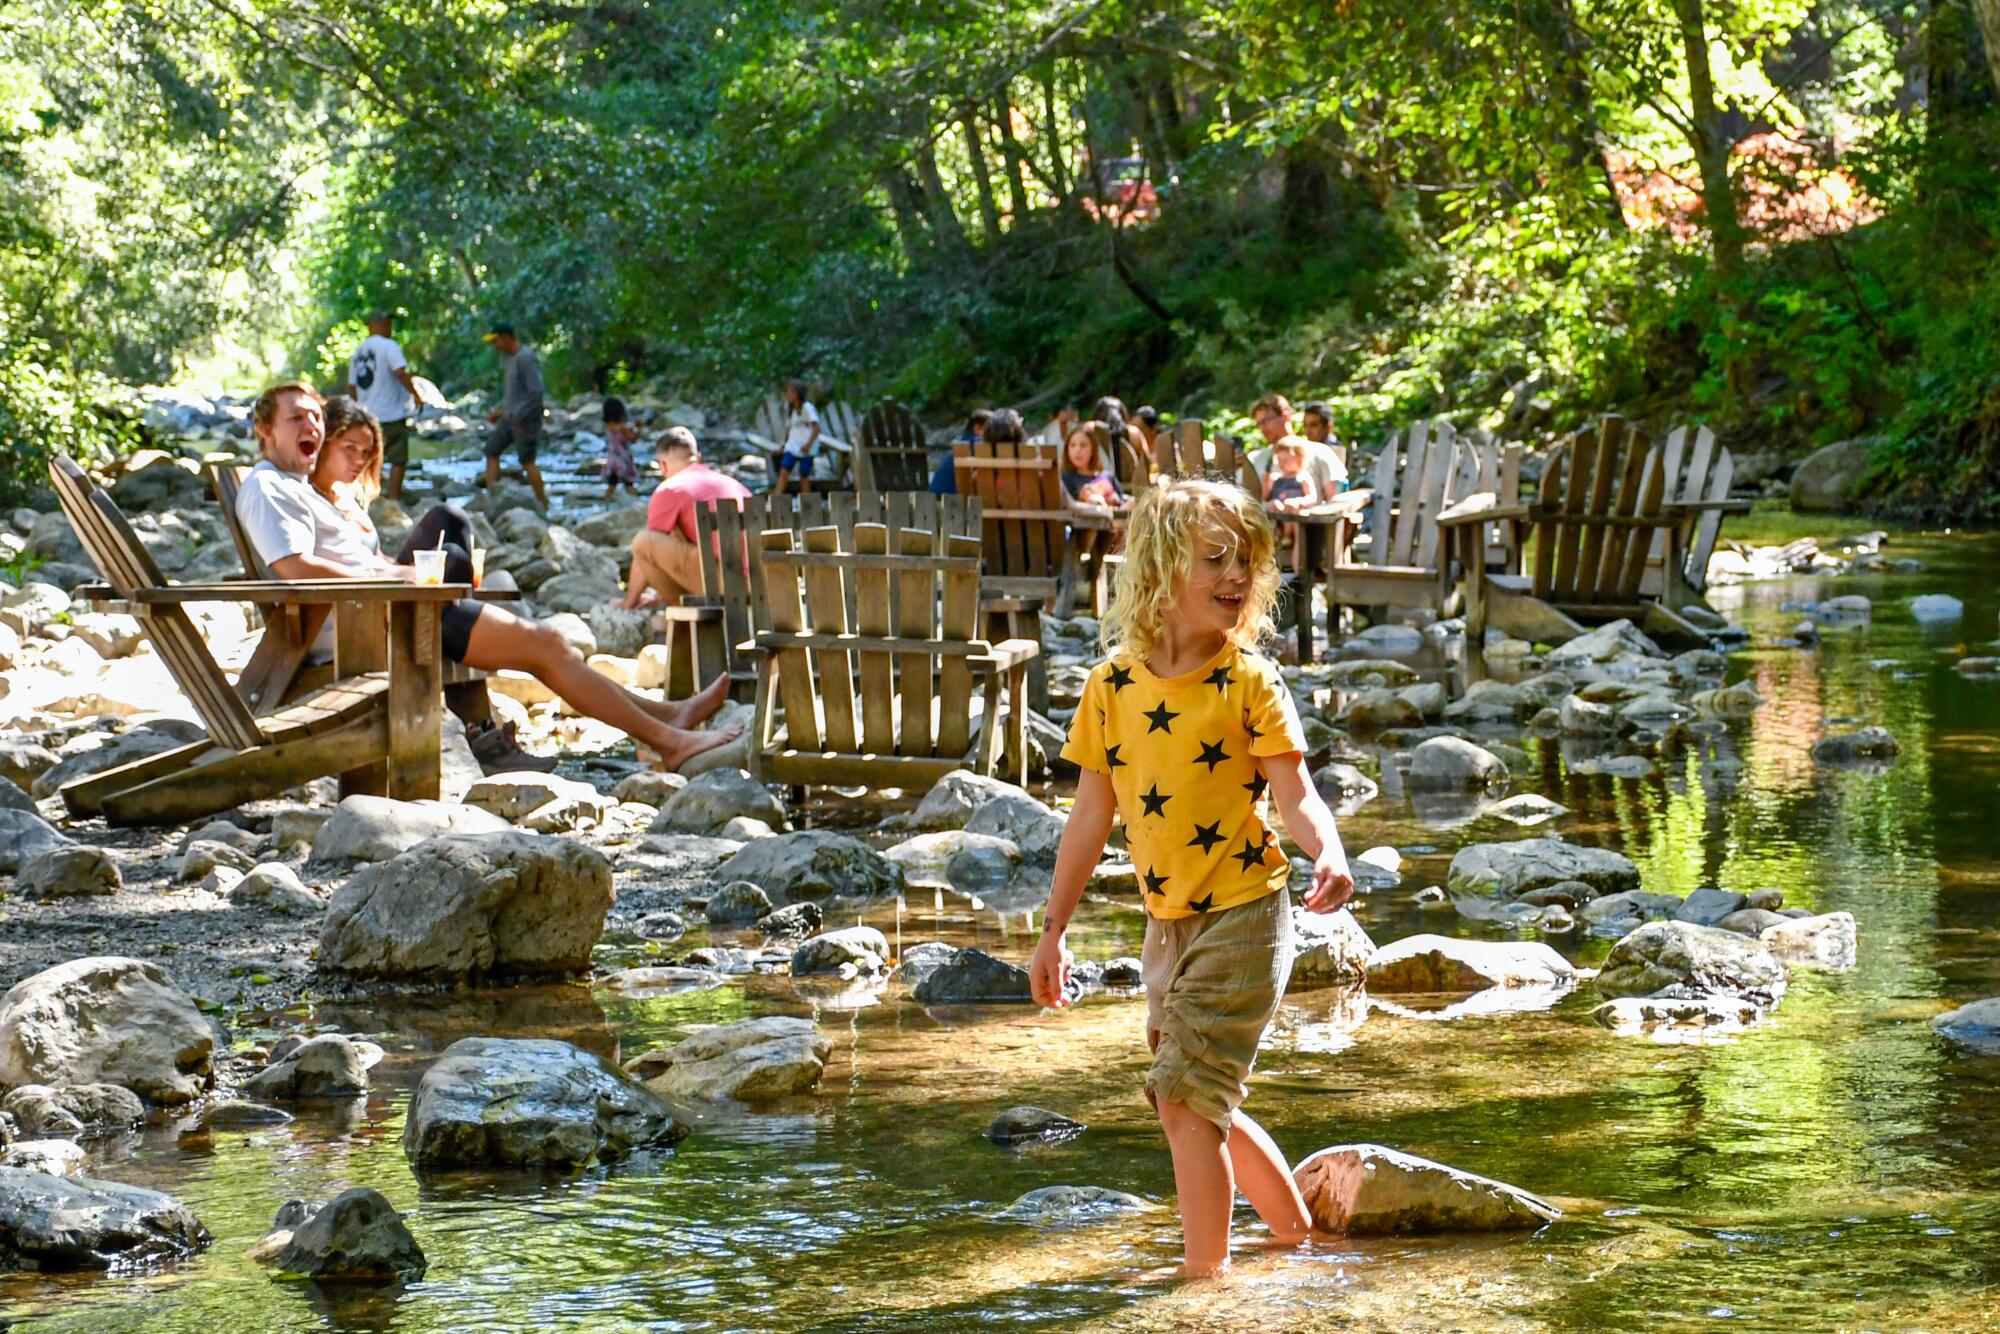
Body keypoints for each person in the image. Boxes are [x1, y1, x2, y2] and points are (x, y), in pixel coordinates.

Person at [1028, 478, 1355, 1278]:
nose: (1235, 574)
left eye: (1246, 559)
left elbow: (1297, 795)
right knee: (1194, 1101)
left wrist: (1330, 849)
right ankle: (1296, 1241)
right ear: (1159, 569)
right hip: (1167, 923)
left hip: (1247, 913)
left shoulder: (1248, 682)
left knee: (1182, 1096)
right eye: (1215, 558)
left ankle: (1202, 1286)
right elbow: (1088, 820)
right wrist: (1053, 931)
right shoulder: (1111, 688)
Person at [241, 383, 738, 772]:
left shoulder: (299, 487)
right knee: (546, 645)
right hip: (369, 627)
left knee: (540, 635)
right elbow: (296, 569)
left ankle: (667, 721)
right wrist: (402, 580)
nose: (311, 424)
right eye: (296, 418)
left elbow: (342, 561)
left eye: (314, 416)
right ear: (266, 430)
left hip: (385, 609)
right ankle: (669, 740)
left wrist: (398, 573)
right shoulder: (268, 486)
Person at [622, 427, 752, 610]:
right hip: (763, 581)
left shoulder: (671, 488)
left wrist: (627, 604)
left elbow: (646, 554)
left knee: (643, 542)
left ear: (663, 465)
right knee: (677, 534)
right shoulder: (733, 484)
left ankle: (677, 610)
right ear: (698, 457)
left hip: (728, 586)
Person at [346, 309, 418, 503]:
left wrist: (355, 410)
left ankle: (365, 499)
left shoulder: (358, 352)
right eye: (388, 323)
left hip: (366, 415)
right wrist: (417, 395)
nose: (390, 328)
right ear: (380, 324)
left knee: (367, 458)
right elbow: (400, 372)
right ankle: (394, 497)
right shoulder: (389, 346)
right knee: (398, 459)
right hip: (391, 412)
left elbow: (352, 386)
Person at [482, 324, 549, 507]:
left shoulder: (525, 358)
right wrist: (501, 411)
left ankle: (544, 503)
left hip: (525, 420)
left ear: (507, 338)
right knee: (491, 450)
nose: (494, 345)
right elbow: (515, 393)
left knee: (527, 461)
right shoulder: (509, 359)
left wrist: (521, 416)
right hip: (509, 418)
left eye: (496, 341)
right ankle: (492, 499)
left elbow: (536, 392)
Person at [1247, 393, 1345, 499]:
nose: (1262, 428)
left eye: (1266, 421)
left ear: (1286, 416)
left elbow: (1338, 501)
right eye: (1259, 424)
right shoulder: (1254, 459)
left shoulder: (1320, 452)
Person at [1262, 439, 1319, 571]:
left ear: (1299, 459)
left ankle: (1298, 571)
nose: (1281, 464)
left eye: (1285, 461)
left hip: (1296, 521)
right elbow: (1265, 497)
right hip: (1278, 521)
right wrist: (1267, 483)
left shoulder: (1303, 477)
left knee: (1291, 507)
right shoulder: (1276, 478)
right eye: (1279, 460)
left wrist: (1299, 501)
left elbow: (1312, 497)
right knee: (1274, 504)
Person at [1061, 425, 1127, 511]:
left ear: (1093, 449)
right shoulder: (1065, 478)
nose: (1077, 450)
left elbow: (1122, 500)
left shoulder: (1107, 476)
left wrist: (1113, 500)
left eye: (1083, 445)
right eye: (1072, 445)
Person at [931, 407, 992, 495]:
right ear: (977, 428)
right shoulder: (978, 446)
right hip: (951, 500)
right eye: (991, 428)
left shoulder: (962, 443)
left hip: (936, 498)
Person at [774, 379, 820, 497]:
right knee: (784, 471)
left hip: (806, 448)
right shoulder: (792, 410)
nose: (788, 394)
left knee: (804, 475)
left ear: (798, 393)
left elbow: (816, 428)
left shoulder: (807, 408)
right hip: (793, 446)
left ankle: (807, 501)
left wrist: (808, 445)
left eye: (791, 391)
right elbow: (789, 429)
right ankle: (776, 498)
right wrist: (783, 444)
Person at [600, 397, 641, 498]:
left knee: (611, 485)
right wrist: (637, 429)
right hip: (623, 458)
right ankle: (637, 503)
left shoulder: (608, 426)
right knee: (628, 484)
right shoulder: (622, 427)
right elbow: (632, 439)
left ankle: (606, 503)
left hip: (612, 458)